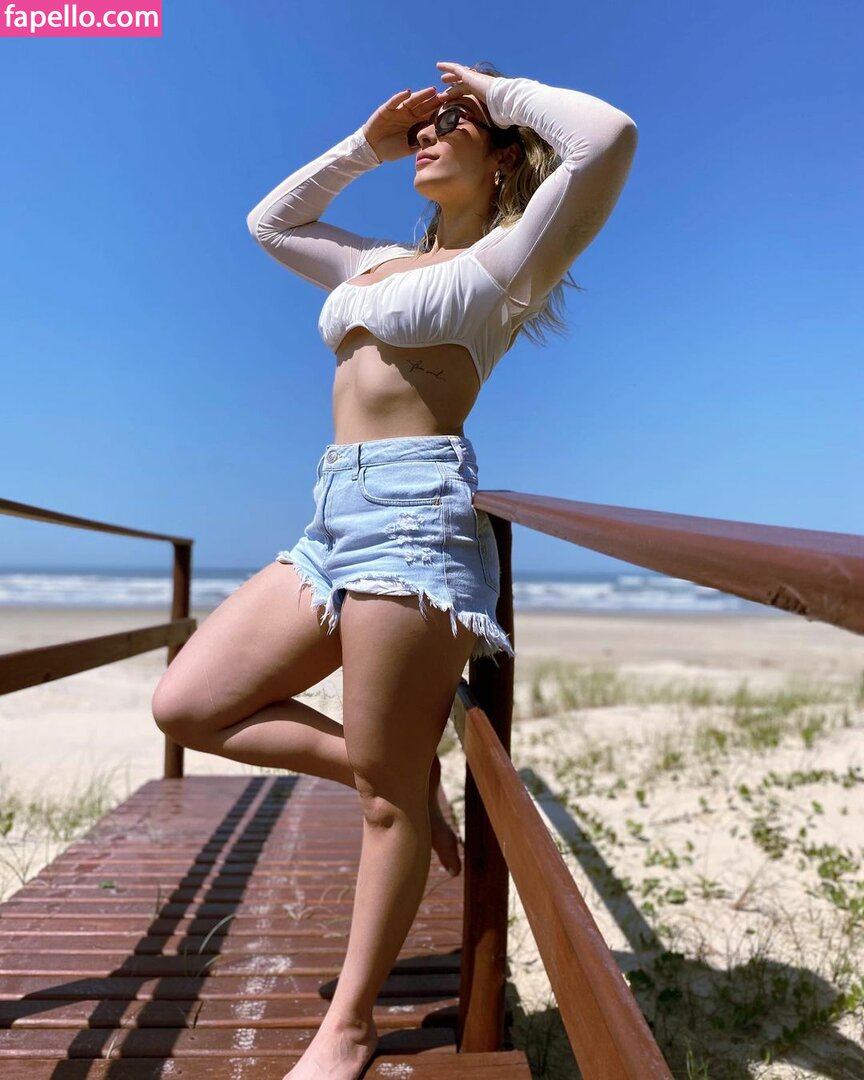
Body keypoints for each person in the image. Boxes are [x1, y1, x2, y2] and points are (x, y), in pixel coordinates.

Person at [151, 59, 637, 1080]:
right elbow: (271, 224)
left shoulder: (510, 259)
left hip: (417, 520)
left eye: (450, 123)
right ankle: (400, 770)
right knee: (188, 703)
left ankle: (351, 1025)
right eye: (424, 125)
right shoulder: (372, 262)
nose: (427, 132)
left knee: (383, 808)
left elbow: (607, 137)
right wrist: (364, 148)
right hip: (330, 515)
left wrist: (497, 89)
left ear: (500, 157)